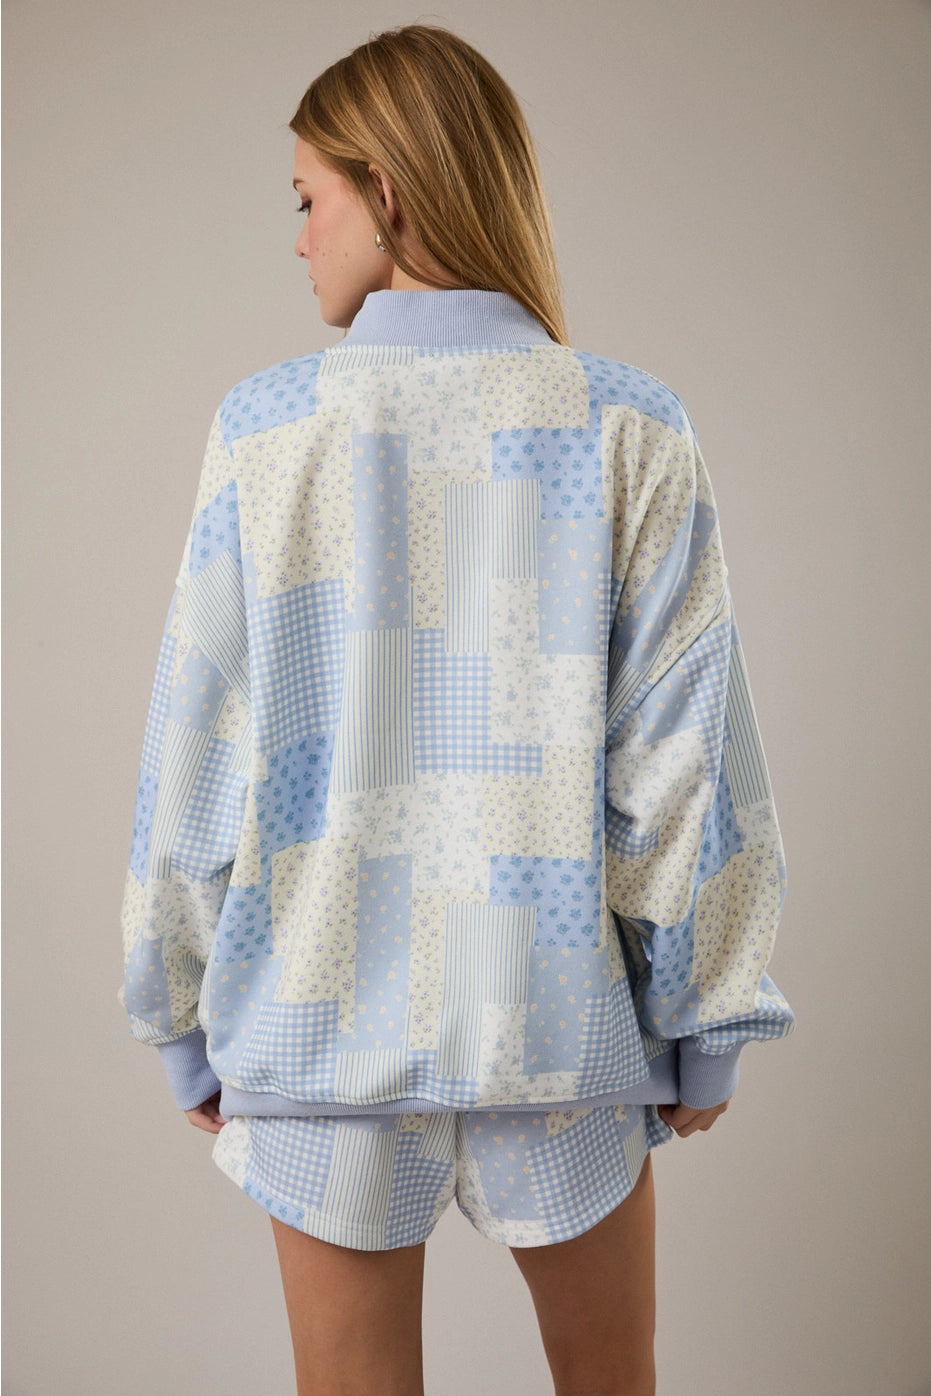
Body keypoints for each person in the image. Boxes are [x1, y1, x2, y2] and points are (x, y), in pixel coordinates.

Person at [119, 24, 794, 1396]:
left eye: (308, 198)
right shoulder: (629, 427)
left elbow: (200, 746)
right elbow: (683, 760)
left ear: (386, 189)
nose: (299, 238)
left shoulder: (267, 431)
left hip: (320, 1023)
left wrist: (174, 1005)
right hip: (556, 1020)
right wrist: (707, 1016)